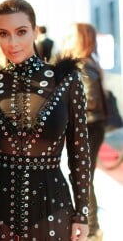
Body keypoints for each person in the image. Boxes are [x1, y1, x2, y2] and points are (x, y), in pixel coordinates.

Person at [0, 0, 90, 240]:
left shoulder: (66, 81)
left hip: (51, 208)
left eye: (21, 32)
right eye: (4, 34)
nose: (12, 43)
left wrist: (82, 214)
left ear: (35, 31)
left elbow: (80, 152)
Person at [62, 23, 107, 241]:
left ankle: (93, 226)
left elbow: (87, 103)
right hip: (93, 126)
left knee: (84, 178)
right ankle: (93, 225)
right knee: (86, 178)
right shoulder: (91, 63)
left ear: (81, 40)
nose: (66, 41)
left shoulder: (83, 67)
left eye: (71, 37)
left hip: (89, 127)